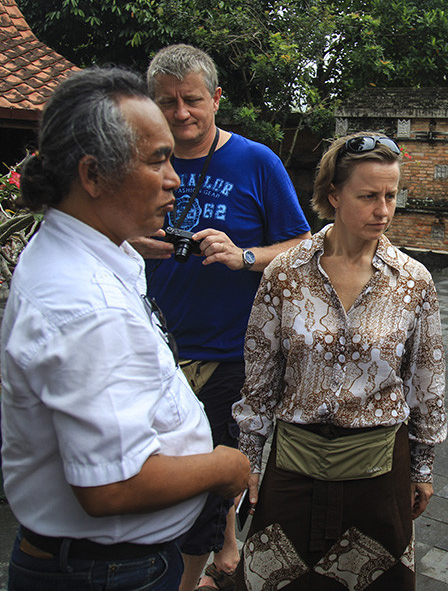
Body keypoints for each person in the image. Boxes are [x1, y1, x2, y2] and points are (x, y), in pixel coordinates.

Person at [0, 67, 250, 590]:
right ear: (93, 176)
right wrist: (225, 466)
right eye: (158, 159)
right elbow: (113, 486)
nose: (175, 178)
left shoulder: (93, 247)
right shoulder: (88, 307)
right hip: (111, 571)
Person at [131, 44, 311, 591]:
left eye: (192, 100)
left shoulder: (257, 162)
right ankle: (213, 554)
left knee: (216, 468)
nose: (181, 113)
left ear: (216, 99)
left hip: (232, 350)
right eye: (167, 102)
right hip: (155, 347)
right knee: (162, 470)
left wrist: (244, 256)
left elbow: (303, 244)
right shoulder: (138, 162)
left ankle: (201, 571)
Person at [232, 132, 447, 590]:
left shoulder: (413, 281)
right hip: (294, 467)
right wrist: (249, 459)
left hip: (380, 470)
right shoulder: (285, 273)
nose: (383, 210)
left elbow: (426, 382)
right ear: (333, 194)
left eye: (391, 195)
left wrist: (423, 466)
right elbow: (259, 379)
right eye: (368, 196)